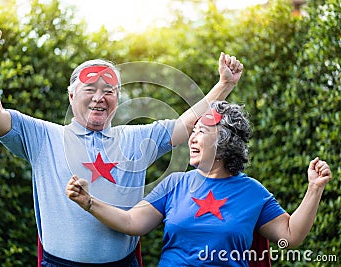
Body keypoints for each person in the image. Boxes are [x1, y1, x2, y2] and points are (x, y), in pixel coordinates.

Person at [0, 23, 243, 266]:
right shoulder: (43, 136)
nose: (99, 97)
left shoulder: (137, 138)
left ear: (118, 98)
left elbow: (184, 125)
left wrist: (224, 85)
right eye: (90, 89)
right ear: (71, 95)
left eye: (108, 91)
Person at [66, 101, 332, 266]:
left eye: (201, 132)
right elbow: (131, 223)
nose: (192, 138)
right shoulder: (174, 184)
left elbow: (290, 237)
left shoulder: (252, 192)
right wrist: (89, 202)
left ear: (226, 141)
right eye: (192, 132)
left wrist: (314, 188)